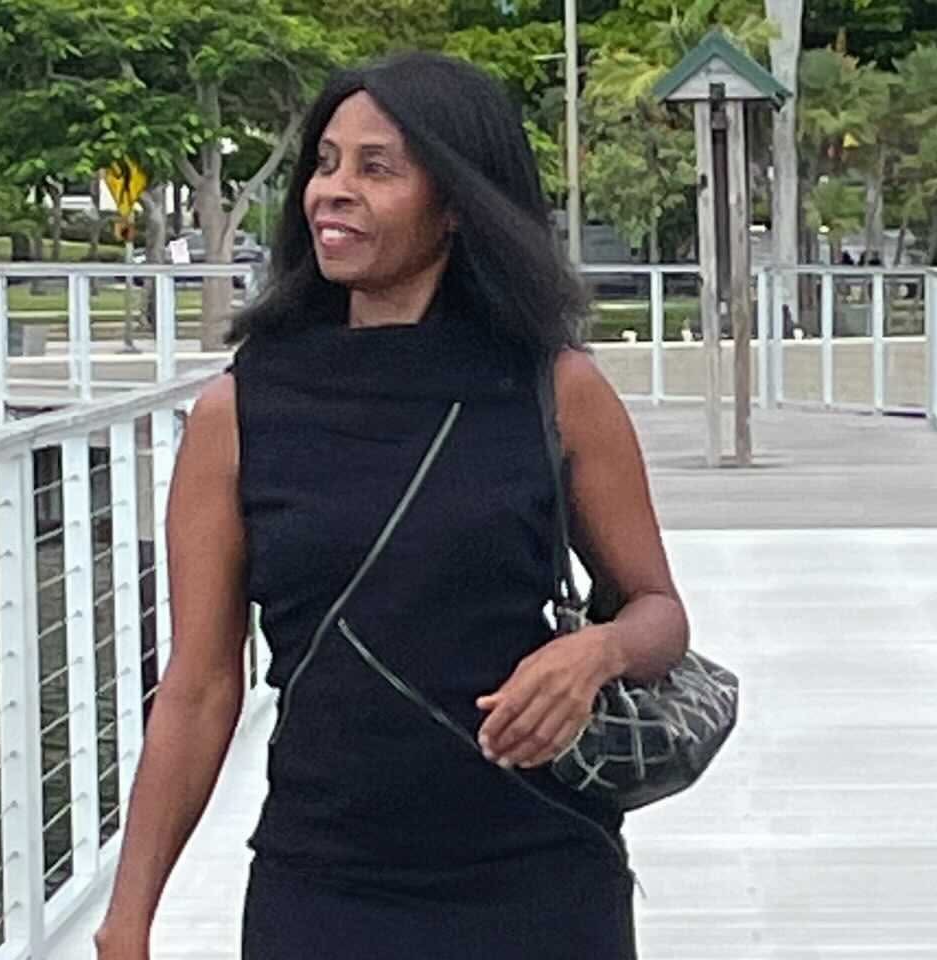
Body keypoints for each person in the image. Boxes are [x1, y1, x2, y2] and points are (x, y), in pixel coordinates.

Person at [94, 51, 689, 960]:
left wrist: (596, 652)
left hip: (539, 876)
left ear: (457, 205)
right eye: (326, 163)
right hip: (323, 887)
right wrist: (127, 920)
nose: (333, 191)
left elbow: (659, 611)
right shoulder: (238, 412)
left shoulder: (557, 391)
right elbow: (200, 685)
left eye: (377, 168)